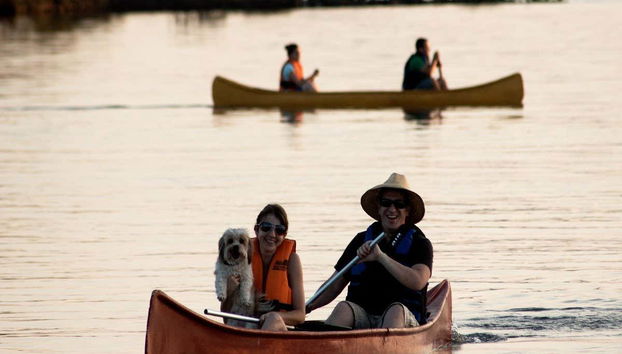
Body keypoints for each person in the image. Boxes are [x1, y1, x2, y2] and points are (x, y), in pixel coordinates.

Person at [306, 173, 433, 329]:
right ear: (379, 208)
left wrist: (381, 257)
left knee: (395, 311)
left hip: (402, 317)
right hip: (363, 314)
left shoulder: (420, 243)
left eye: (399, 204)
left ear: (407, 210)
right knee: (343, 308)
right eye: (386, 203)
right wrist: (306, 307)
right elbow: (334, 285)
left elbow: (418, 281)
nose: (392, 209)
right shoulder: (361, 240)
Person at [221, 204, 305, 331]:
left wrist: (275, 315)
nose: (272, 234)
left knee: (273, 319)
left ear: (284, 235)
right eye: (266, 228)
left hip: (280, 329)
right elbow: (226, 315)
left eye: (279, 230)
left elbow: (300, 315)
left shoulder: (292, 261)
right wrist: (229, 291)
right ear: (256, 230)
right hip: (248, 327)